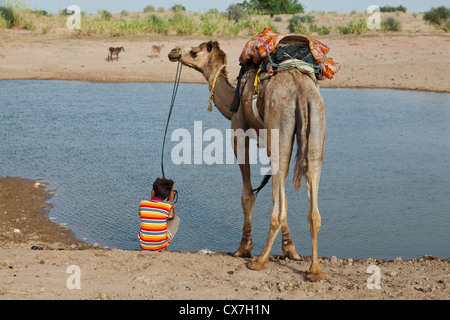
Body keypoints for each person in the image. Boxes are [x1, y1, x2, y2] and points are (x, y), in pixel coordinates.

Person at [138, 177, 180, 251]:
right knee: (176, 219)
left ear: (153, 192)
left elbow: (140, 213)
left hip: (144, 245)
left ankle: (150, 241)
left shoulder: (142, 203)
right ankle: (162, 246)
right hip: (160, 245)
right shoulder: (167, 206)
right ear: (167, 195)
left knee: (150, 218)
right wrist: (171, 199)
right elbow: (172, 216)